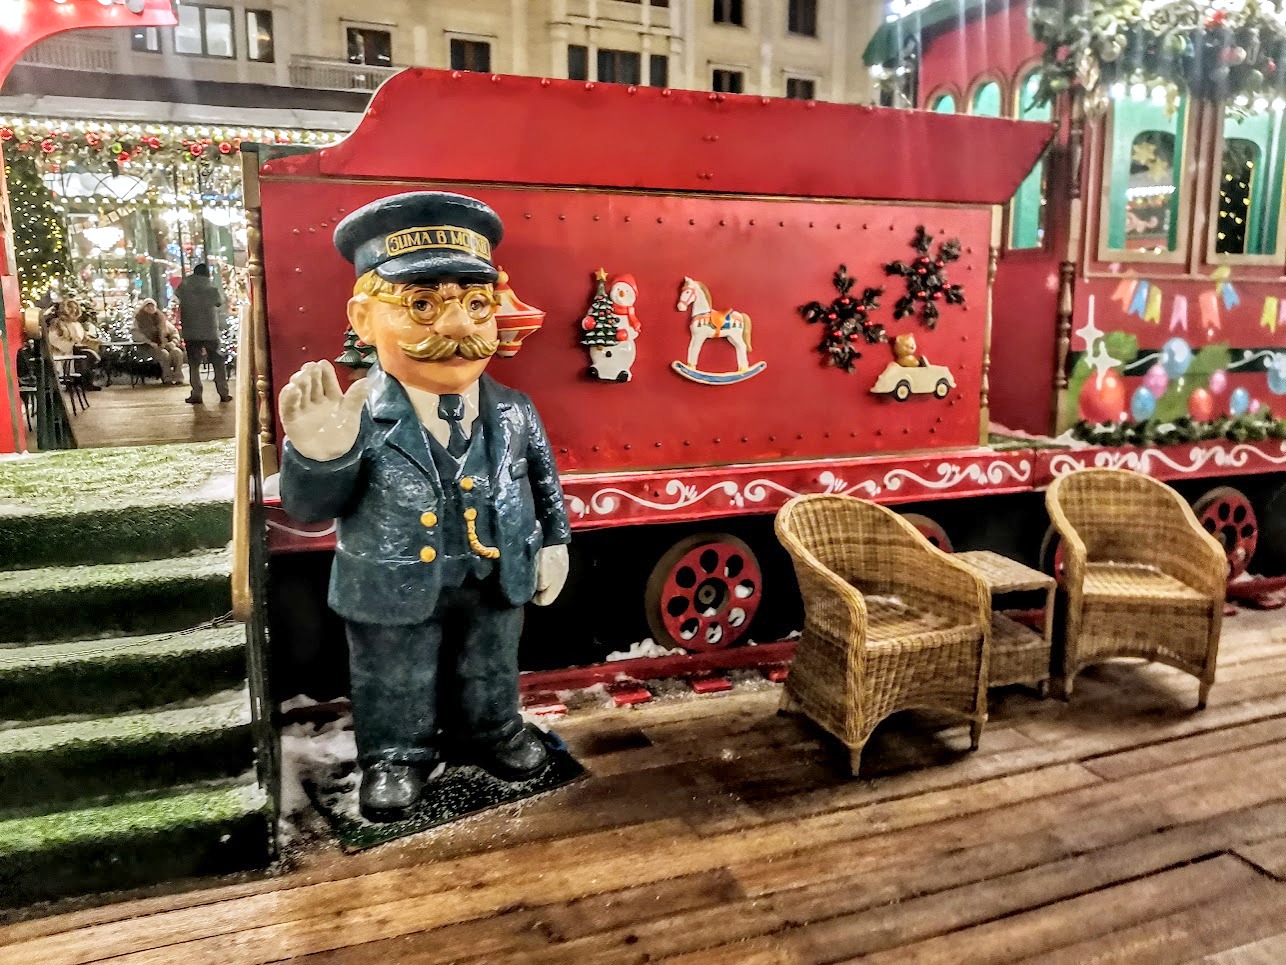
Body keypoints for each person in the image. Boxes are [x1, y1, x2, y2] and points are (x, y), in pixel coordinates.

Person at [277, 192, 572, 822]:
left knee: (490, 661)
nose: (460, 328)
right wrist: (320, 456)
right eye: (421, 305)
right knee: (394, 673)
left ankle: (492, 730)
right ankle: (394, 755)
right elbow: (309, 510)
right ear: (363, 319)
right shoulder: (354, 413)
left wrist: (554, 541)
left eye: (477, 304)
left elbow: (543, 480)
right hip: (391, 578)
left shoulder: (515, 410)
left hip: (495, 570)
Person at [174, 263, 230, 404]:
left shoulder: (184, 286)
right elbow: (219, 302)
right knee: (217, 361)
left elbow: (177, 295)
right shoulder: (211, 287)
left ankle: (196, 393)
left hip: (190, 330)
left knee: (194, 364)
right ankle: (223, 392)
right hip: (209, 330)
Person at [133, 298, 185, 385]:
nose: (150, 308)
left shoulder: (161, 319)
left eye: (152, 306)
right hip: (148, 347)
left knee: (177, 352)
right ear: (143, 307)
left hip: (165, 345)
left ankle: (178, 377)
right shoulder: (139, 320)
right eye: (148, 306)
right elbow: (136, 334)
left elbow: (174, 332)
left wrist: (173, 342)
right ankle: (167, 378)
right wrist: (149, 342)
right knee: (164, 354)